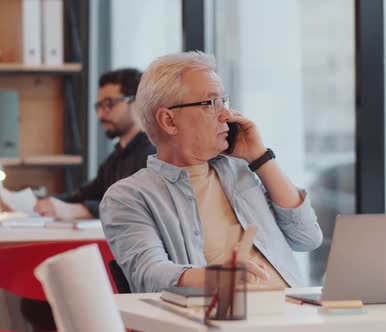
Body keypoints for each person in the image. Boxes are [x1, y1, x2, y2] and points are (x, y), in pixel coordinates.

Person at [100, 51, 323, 293]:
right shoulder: (129, 197)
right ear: (169, 121)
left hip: (295, 312)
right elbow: (149, 274)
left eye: (223, 102)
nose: (226, 115)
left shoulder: (239, 171)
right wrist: (217, 278)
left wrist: (260, 157)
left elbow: (307, 237)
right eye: (210, 103)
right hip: (222, 319)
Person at [32, 68, 155, 219]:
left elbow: (136, 206)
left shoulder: (153, 155)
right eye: (99, 106)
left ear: (137, 102)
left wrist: (78, 210)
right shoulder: (115, 159)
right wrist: (37, 202)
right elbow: (84, 195)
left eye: (109, 104)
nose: (101, 114)